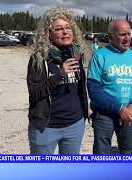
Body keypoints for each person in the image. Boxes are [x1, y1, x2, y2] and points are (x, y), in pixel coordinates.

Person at [26, 7, 89, 154]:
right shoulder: (39, 58)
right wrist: (59, 74)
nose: (65, 32)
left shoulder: (76, 54)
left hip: (75, 125)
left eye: (68, 28)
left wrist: (86, 112)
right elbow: (35, 93)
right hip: (47, 127)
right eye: (59, 29)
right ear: (48, 33)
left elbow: (81, 88)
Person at [87, 19, 132, 154]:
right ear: (110, 37)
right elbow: (94, 90)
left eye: (129, 34)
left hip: (130, 113)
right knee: (101, 154)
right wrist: (119, 109)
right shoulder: (99, 56)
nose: (127, 39)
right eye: (122, 35)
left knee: (128, 152)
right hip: (104, 115)